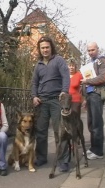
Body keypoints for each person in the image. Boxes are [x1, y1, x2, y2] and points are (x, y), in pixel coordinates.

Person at [31, 36, 70, 172]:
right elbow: (35, 83)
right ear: (39, 50)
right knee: (41, 132)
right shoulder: (38, 65)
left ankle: (64, 161)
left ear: (51, 47)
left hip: (56, 100)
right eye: (42, 48)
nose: (45, 50)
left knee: (60, 132)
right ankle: (41, 157)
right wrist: (34, 96)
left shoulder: (59, 60)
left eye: (47, 47)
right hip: (42, 102)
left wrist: (64, 91)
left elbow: (66, 76)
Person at [81, 42, 105, 160]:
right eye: (89, 50)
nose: (90, 52)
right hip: (90, 95)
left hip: (97, 95)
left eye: (93, 50)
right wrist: (85, 97)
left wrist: (87, 81)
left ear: (98, 49)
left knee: (97, 123)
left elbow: (103, 78)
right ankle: (93, 149)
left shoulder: (102, 61)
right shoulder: (89, 64)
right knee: (91, 123)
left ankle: (98, 151)